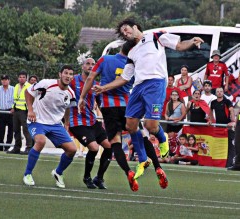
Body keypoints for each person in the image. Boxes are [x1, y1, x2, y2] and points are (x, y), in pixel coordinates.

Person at [88, 18, 204, 181]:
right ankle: (143, 160)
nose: (125, 33)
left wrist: (192, 42)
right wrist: (103, 88)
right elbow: (124, 78)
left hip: (155, 84)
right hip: (138, 87)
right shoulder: (132, 52)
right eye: (123, 33)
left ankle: (163, 140)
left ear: (135, 27)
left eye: (127, 29)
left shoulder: (155, 37)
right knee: (131, 124)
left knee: (151, 126)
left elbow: (178, 45)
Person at [79, 41, 168, 191]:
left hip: (109, 106)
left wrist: (82, 97)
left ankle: (128, 172)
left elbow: (90, 77)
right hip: (128, 105)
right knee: (140, 134)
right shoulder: (134, 64)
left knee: (115, 142)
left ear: (121, 48)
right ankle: (157, 166)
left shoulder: (106, 59)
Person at [23, 65, 77, 188]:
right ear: (60, 74)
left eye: (70, 74)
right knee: (40, 141)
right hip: (37, 120)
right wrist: (30, 110)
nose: (68, 76)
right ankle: (27, 174)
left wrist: (67, 123)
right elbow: (28, 92)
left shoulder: (71, 93)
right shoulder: (46, 83)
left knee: (72, 150)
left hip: (56, 124)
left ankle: (58, 173)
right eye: (66, 73)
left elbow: (68, 108)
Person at [68, 57, 112, 189]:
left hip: (92, 121)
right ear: (82, 66)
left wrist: (107, 117)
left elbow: (100, 103)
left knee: (109, 146)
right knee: (94, 148)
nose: (91, 66)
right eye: (88, 64)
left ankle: (99, 178)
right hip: (77, 122)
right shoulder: (73, 80)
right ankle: (87, 177)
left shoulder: (95, 84)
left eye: (93, 64)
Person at [209, 87, 235, 167]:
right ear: (215, 93)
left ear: (223, 92)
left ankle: (229, 163)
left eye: (221, 91)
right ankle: (218, 163)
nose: (219, 93)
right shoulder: (213, 102)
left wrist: (233, 121)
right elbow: (210, 111)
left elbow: (231, 110)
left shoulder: (227, 101)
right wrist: (211, 120)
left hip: (227, 128)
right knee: (219, 146)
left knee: (229, 147)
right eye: (218, 91)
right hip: (218, 128)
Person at [8, 71, 32, 155]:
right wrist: (13, 107)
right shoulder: (16, 86)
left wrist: (30, 110)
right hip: (16, 110)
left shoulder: (29, 86)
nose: (21, 78)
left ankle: (29, 147)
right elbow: (14, 98)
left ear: (26, 78)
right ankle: (17, 147)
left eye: (23, 77)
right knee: (16, 129)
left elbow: (31, 99)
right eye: (20, 77)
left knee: (26, 129)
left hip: (25, 111)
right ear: (18, 78)